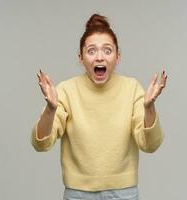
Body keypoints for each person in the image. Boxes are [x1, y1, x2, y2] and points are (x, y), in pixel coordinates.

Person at [31, 13, 167, 200]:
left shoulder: (132, 88)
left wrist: (150, 108)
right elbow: (41, 144)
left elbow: (150, 145)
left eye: (107, 50)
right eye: (92, 51)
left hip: (123, 192)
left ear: (118, 56)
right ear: (81, 57)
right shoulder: (66, 90)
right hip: (77, 193)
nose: (99, 57)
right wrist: (50, 109)